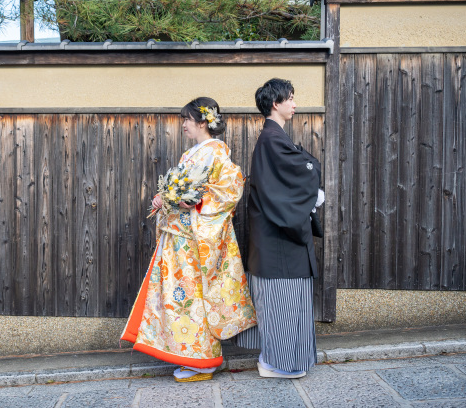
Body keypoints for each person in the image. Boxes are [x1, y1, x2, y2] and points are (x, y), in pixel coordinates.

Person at [121, 97, 256, 383]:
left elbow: (229, 190)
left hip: (193, 239)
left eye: (187, 119)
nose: (183, 124)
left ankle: (203, 360)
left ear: (202, 122)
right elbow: (180, 192)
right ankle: (191, 355)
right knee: (179, 297)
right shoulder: (190, 155)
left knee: (192, 296)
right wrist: (166, 199)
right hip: (180, 236)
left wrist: (192, 201)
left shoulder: (216, 152)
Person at [235, 78, 324, 379]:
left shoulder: (273, 139)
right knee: (281, 305)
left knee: (280, 305)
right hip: (278, 242)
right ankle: (277, 363)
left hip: (273, 240)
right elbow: (300, 174)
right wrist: (312, 194)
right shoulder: (272, 140)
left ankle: (273, 359)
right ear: (276, 103)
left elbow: (295, 173)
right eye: (291, 98)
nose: (295, 103)